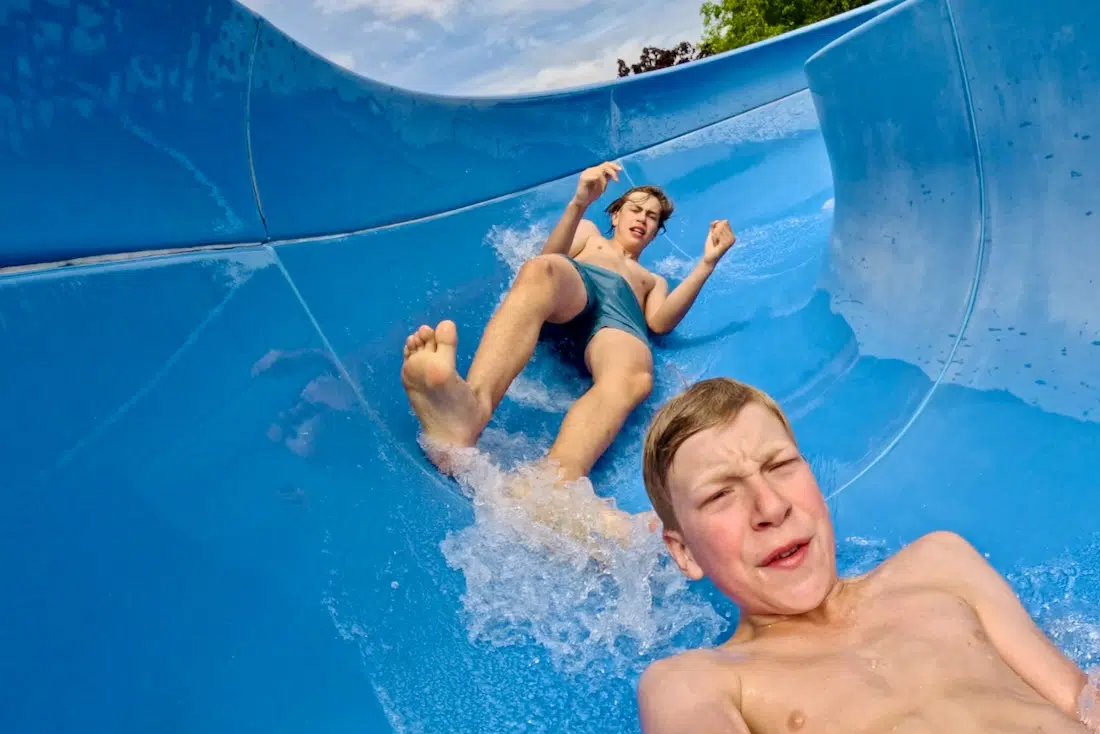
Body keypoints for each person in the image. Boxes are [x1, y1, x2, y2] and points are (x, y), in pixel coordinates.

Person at [636, 377, 1099, 733]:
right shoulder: (697, 682)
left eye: (779, 465)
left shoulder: (941, 564)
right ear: (684, 553)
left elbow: (1079, 700)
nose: (771, 507)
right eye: (720, 495)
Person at [400, 161, 736, 542]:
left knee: (635, 375)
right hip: (579, 285)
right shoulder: (590, 235)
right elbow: (550, 257)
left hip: (620, 318)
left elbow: (659, 322)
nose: (643, 218)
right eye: (636, 208)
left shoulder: (650, 280)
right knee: (542, 271)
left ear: (657, 232)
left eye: (653, 217)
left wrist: (707, 263)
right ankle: (468, 412)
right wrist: (578, 202)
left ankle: (553, 481)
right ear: (616, 212)